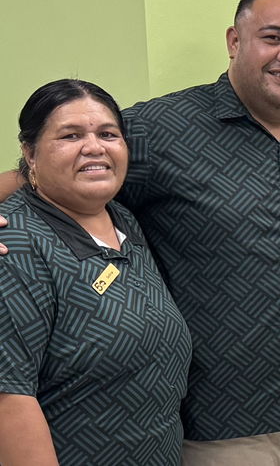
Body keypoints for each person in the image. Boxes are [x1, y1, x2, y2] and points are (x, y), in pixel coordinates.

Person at [0, 0, 280, 464]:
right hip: (220, 430)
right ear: (234, 41)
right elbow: (66, 165)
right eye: (272, 37)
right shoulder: (156, 130)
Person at [0, 80, 191, 465]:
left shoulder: (123, 220)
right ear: (30, 153)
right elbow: (8, 398)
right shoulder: (15, 245)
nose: (94, 147)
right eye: (70, 135)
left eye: (108, 134)